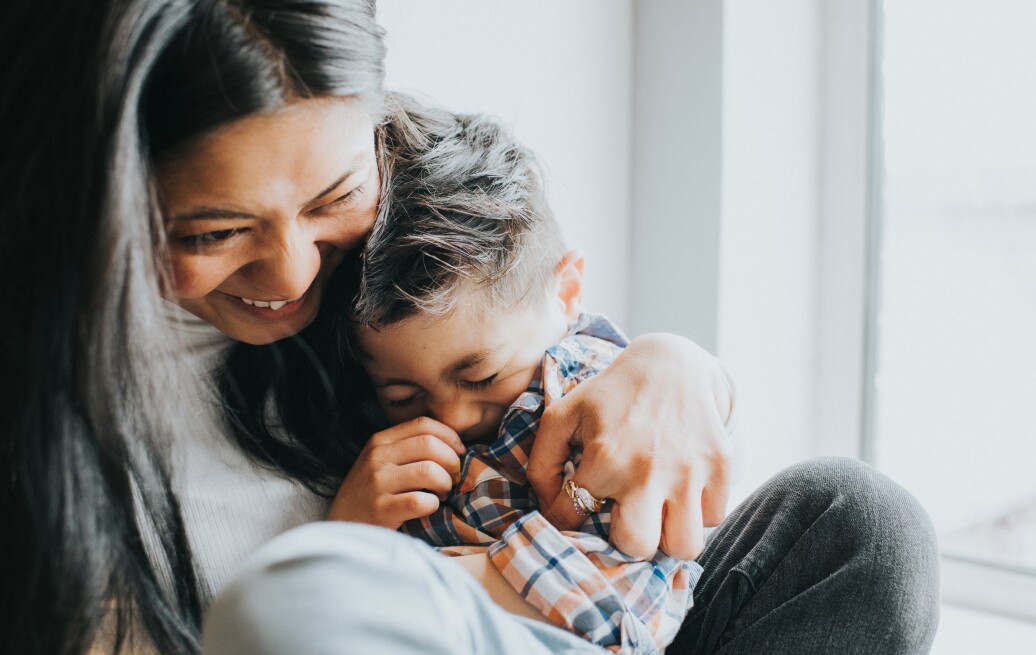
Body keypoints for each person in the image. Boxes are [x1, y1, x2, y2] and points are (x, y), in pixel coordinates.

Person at [1, 1, 939, 654]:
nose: (293, 276)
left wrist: (674, 366)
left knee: (863, 521)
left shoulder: (382, 257)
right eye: (211, 232)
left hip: (616, 619)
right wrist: (363, 551)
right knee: (297, 604)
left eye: (333, 199)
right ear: (108, 196)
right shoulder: (67, 416)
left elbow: (522, 289)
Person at [331, 98, 701, 653]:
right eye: (403, 394)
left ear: (568, 290)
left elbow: (636, 603)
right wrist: (349, 533)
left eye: (480, 376)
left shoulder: (593, 393)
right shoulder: (373, 448)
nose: (451, 417)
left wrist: (419, 582)